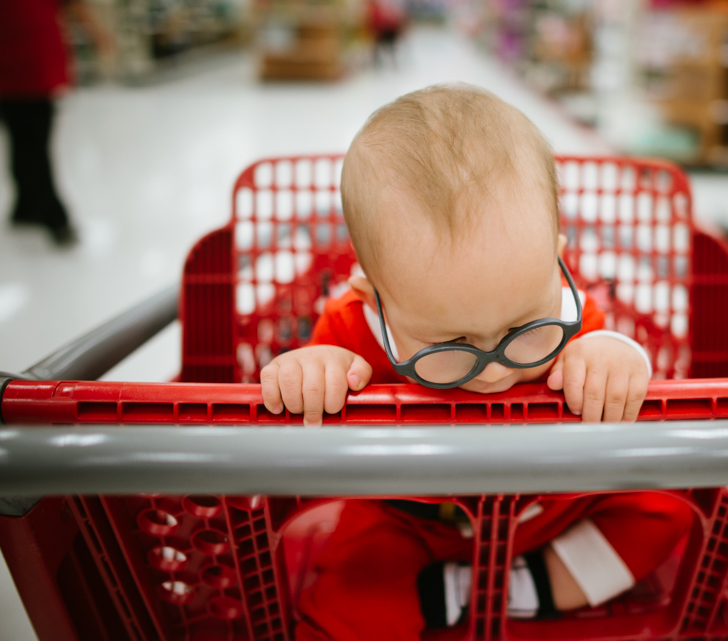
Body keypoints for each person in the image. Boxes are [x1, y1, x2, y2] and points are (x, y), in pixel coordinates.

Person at [259, 84, 694, 640]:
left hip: (551, 511)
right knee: (349, 599)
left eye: (522, 329)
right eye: (452, 342)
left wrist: (611, 356)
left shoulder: (564, 311)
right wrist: (312, 369)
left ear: (557, 262)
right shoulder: (350, 327)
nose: (493, 369)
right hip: (408, 523)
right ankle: (475, 587)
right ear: (376, 300)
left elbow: (617, 356)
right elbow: (313, 383)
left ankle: (503, 589)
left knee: (664, 509)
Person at [0, 0, 113, 246]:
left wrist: (96, 34)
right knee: (31, 143)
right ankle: (54, 217)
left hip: (33, 66)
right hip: (17, 67)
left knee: (28, 140)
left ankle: (26, 206)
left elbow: (73, 5)